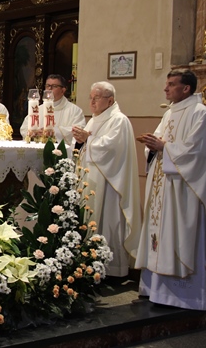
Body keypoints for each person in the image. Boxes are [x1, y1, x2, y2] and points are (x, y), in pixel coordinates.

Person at [136, 69, 206, 310]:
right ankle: (157, 290)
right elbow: (159, 142)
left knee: (181, 236)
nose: (165, 88)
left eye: (171, 84)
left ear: (186, 88)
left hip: (184, 190)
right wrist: (152, 146)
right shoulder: (169, 113)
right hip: (163, 188)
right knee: (160, 235)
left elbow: (196, 153)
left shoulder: (200, 113)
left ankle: (187, 295)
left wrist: (164, 147)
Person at [72, 81, 140, 279]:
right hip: (92, 181)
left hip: (110, 183)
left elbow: (112, 149)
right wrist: (80, 140)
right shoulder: (94, 120)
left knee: (108, 220)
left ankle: (112, 268)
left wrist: (88, 139)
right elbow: (86, 146)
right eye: (91, 97)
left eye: (97, 98)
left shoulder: (119, 120)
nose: (92, 102)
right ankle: (90, 265)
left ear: (110, 101)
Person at [20, 74, 85, 144]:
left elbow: (79, 131)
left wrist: (54, 131)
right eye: (47, 86)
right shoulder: (37, 109)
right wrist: (34, 133)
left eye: (54, 86)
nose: (49, 89)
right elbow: (24, 128)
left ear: (63, 90)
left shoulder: (75, 111)